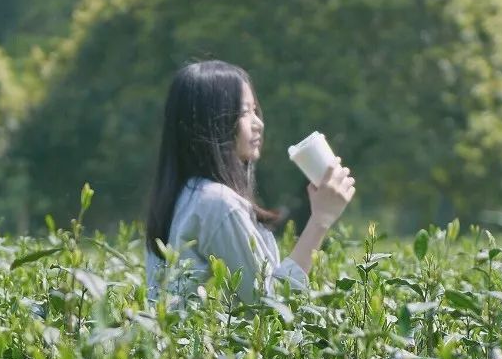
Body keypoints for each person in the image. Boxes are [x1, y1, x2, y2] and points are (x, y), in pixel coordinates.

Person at [145, 60, 355, 304]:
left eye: (255, 110)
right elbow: (267, 308)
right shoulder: (217, 203)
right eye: (245, 112)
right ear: (213, 122)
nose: (259, 124)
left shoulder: (181, 196)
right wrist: (320, 220)